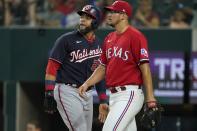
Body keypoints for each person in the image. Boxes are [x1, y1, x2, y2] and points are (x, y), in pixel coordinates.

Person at [78, 1, 157, 131]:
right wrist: (87, 83)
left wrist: (150, 99)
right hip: (114, 96)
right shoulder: (109, 38)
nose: (109, 14)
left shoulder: (136, 36)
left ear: (123, 16)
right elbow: (103, 67)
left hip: (130, 94)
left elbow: (145, 69)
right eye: (110, 11)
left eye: (114, 12)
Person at [44, 4, 108, 131]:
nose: (82, 20)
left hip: (87, 93)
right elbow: (52, 67)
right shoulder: (66, 40)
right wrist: (49, 92)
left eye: (88, 17)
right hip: (67, 90)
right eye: (82, 16)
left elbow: (99, 75)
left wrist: (102, 100)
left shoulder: (100, 44)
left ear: (96, 22)